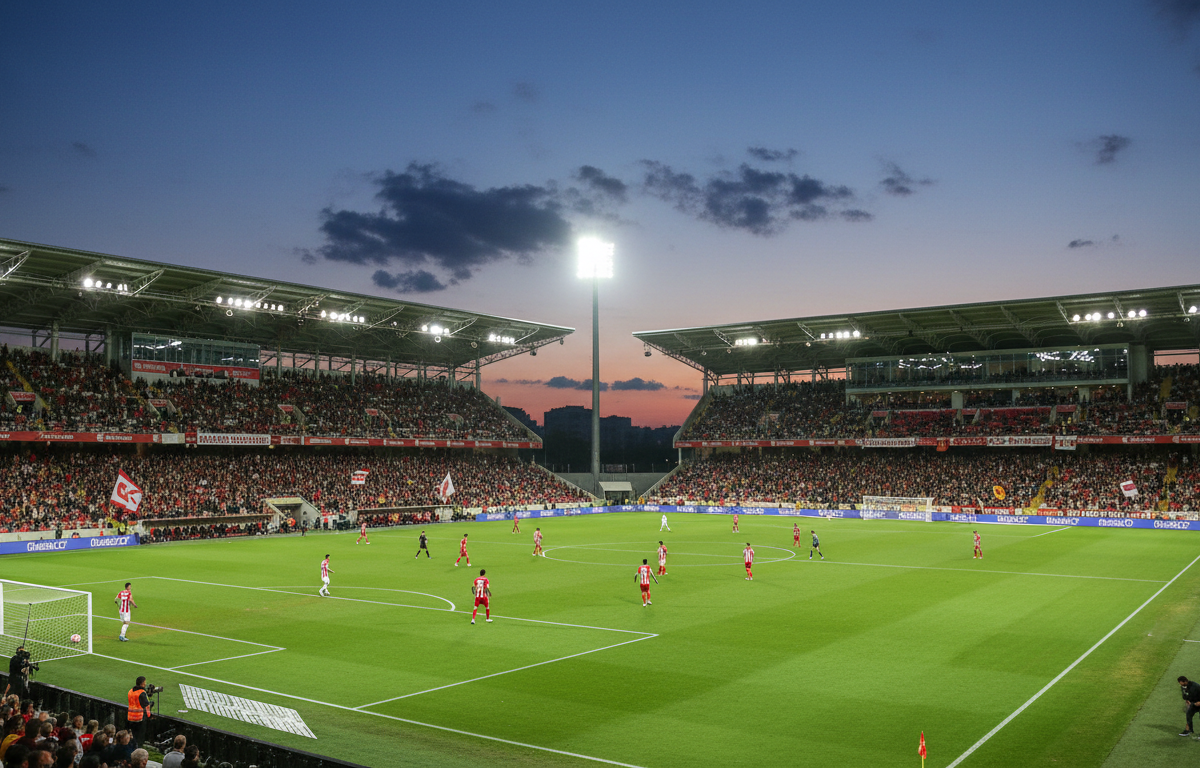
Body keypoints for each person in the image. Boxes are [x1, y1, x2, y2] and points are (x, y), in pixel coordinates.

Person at [126, 678, 151, 747]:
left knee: (133, 736)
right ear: (142, 683)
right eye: (144, 682)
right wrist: (149, 715)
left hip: (130, 717)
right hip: (139, 718)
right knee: (139, 738)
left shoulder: (130, 691)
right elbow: (146, 705)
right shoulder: (141, 692)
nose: (145, 684)